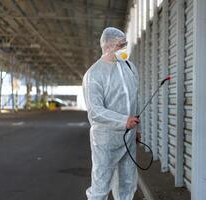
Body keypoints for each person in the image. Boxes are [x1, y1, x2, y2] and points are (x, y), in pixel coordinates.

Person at [82, 27, 140, 200]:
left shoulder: (129, 67)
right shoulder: (94, 74)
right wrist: (124, 120)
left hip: (128, 135)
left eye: (125, 45)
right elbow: (95, 111)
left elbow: (133, 100)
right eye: (120, 45)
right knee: (101, 184)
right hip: (106, 139)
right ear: (108, 46)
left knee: (127, 182)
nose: (124, 49)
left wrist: (137, 129)